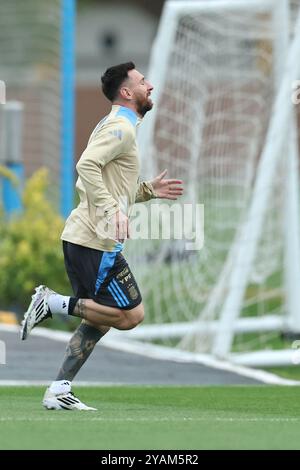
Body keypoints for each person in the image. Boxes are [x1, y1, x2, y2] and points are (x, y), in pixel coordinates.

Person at [20, 62, 183, 410]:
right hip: (94, 239)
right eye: (142, 82)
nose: (150, 86)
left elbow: (102, 182)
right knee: (130, 315)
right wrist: (113, 211)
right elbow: (86, 167)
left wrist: (146, 190)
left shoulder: (117, 125)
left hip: (90, 239)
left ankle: (58, 390)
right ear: (127, 92)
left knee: (101, 317)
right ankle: (51, 303)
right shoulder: (121, 128)